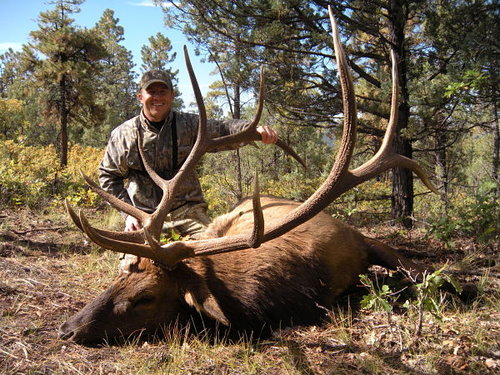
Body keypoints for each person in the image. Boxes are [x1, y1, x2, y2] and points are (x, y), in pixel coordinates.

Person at [98, 69, 278, 239]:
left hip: (188, 213)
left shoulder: (189, 125)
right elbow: (108, 176)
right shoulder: (123, 134)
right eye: (151, 92)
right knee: (134, 268)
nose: (157, 97)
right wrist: (129, 214)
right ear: (140, 97)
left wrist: (254, 130)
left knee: (214, 256)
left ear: (172, 96)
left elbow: (224, 128)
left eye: (163, 92)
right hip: (144, 216)